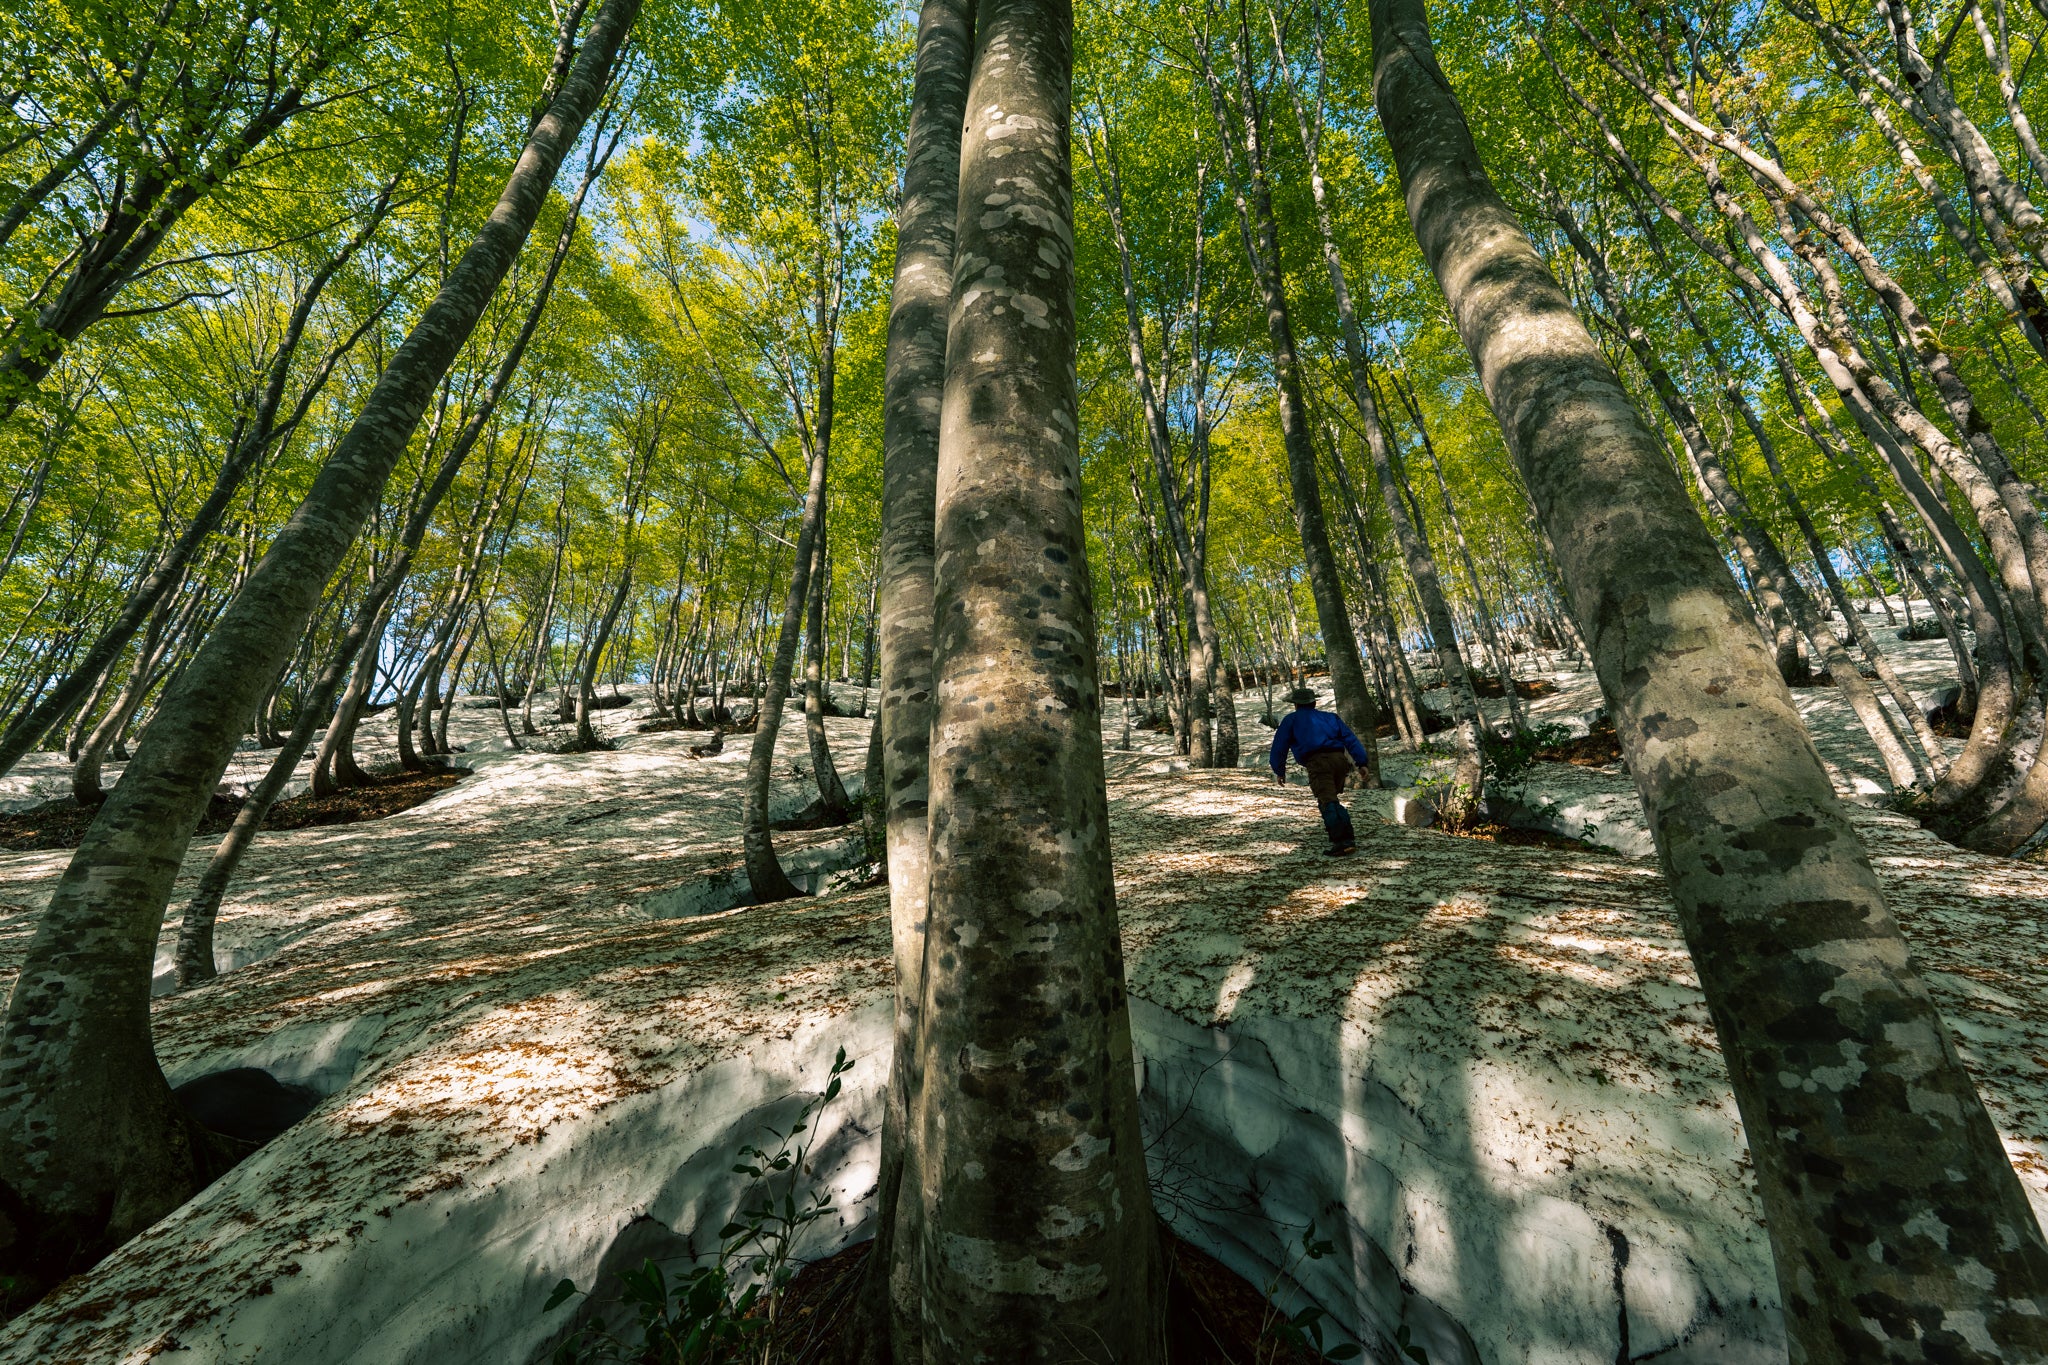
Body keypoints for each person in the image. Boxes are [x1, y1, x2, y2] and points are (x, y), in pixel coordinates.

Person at [1269, 686, 1369, 855]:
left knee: (1328, 800)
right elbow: (1350, 739)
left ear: (1296, 705)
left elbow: (1280, 746)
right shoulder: (1330, 718)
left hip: (1317, 763)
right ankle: (1344, 837)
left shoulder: (1291, 720)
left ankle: (1343, 842)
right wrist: (1362, 763)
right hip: (1339, 761)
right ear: (1314, 702)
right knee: (1331, 798)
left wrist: (1279, 770)